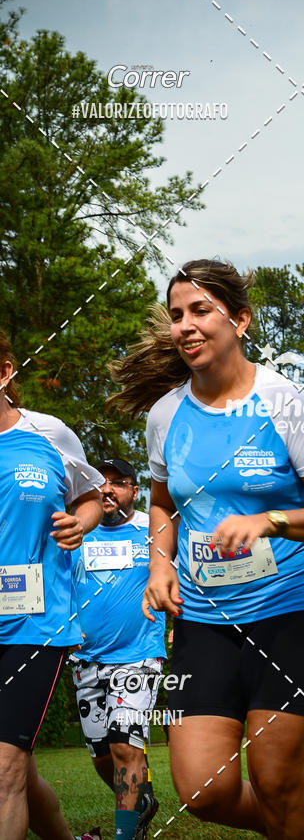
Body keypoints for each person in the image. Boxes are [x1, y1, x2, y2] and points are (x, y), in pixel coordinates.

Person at [109, 259, 304, 838]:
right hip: (203, 617)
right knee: (202, 789)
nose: (185, 325)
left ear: (240, 320)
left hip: (290, 612)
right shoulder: (166, 414)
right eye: (177, 315)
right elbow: (160, 502)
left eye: (200, 310)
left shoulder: (285, 402)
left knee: (277, 783)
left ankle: (287, 818)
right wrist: (159, 564)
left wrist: (269, 520)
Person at [0, 329, 103, 840]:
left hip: (34, 620)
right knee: (16, 769)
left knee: (5, 769)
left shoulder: (49, 434)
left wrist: (80, 522)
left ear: (4, 373)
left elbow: (91, 497)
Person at [71, 457, 167, 840]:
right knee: (102, 756)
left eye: (118, 482)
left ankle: (126, 835)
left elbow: (180, 574)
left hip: (139, 655)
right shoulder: (76, 530)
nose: (107, 489)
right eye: (100, 482)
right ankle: (140, 800)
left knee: (126, 748)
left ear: (134, 490)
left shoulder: (153, 530)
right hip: (86, 659)